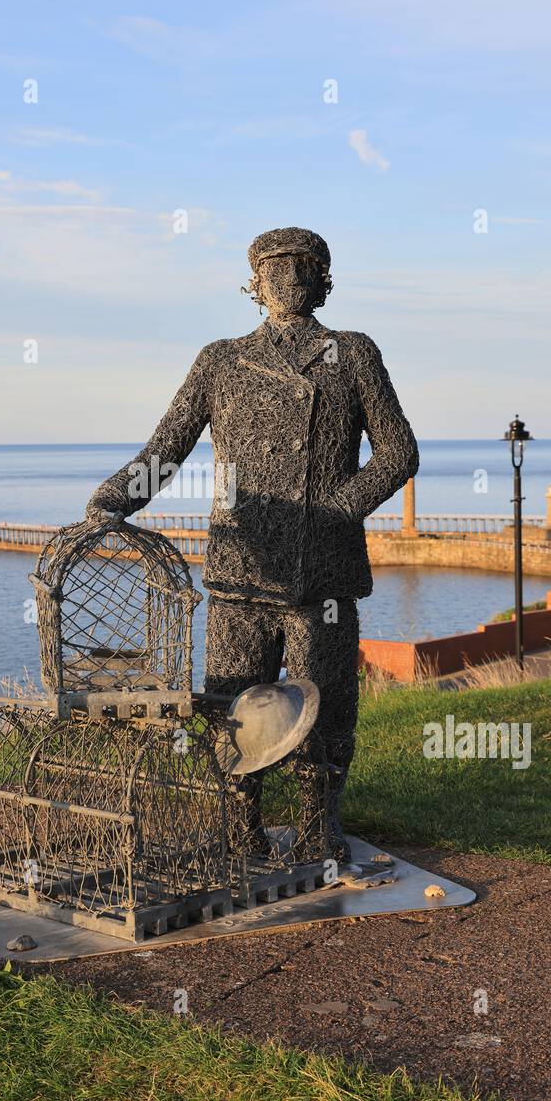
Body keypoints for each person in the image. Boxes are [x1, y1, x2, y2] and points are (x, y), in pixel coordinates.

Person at [86, 226, 418, 862]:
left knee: (325, 703)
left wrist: (335, 511)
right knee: (235, 703)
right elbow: (164, 454)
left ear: (324, 279)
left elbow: (398, 452)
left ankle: (322, 824)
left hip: (321, 574)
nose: (288, 279)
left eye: (302, 267)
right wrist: (108, 502)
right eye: (275, 269)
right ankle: (239, 826)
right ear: (254, 284)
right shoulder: (221, 360)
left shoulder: (352, 354)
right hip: (242, 570)